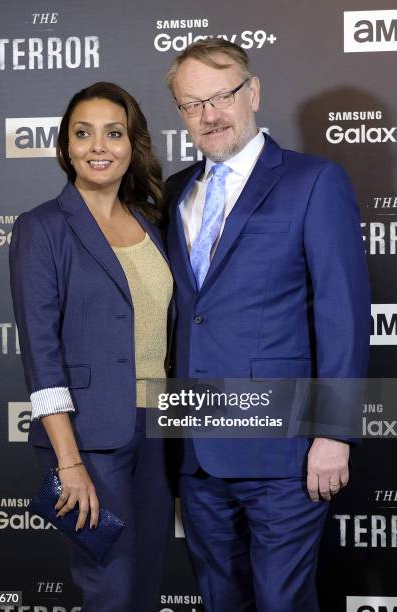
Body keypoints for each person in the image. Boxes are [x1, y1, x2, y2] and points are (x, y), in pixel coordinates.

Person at [164, 39, 370, 612]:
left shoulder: (313, 182)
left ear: (252, 92)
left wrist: (333, 434)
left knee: (283, 602)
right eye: (192, 103)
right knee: (218, 600)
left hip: (286, 453)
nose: (210, 115)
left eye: (223, 95)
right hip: (197, 453)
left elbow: (344, 317)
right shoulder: (175, 193)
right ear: (180, 113)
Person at [9, 81, 173, 612]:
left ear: (133, 144)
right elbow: (40, 353)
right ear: (66, 146)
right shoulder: (42, 227)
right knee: (111, 588)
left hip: (158, 431)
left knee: (146, 583)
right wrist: (69, 464)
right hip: (86, 441)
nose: (98, 146)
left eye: (113, 133)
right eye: (83, 134)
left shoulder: (153, 222)